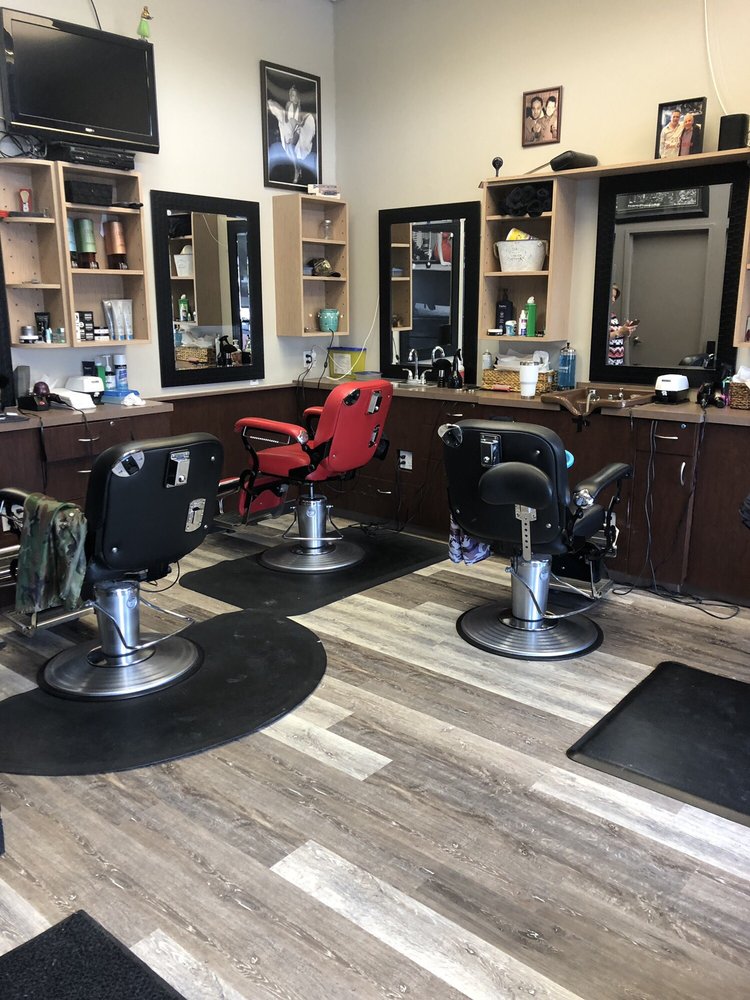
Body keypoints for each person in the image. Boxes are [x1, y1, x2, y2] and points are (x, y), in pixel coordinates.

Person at [267, 85, 316, 184]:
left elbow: (299, 120)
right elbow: (287, 118)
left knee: (292, 144)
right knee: (289, 146)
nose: (291, 97)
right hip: (290, 128)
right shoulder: (288, 105)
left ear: (297, 97)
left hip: (297, 129)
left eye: (293, 95)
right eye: (290, 95)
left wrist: (297, 125)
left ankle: (296, 170)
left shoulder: (299, 106)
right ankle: (296, 168)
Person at [607, 284, 639, 365]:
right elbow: (601, 339)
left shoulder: (612, 315)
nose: (613, 299)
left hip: (618, 362)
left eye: (615, 297)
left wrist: (625, 332)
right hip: (607, 363)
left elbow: (616, 338)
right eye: (611, 296)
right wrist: (620, 332)